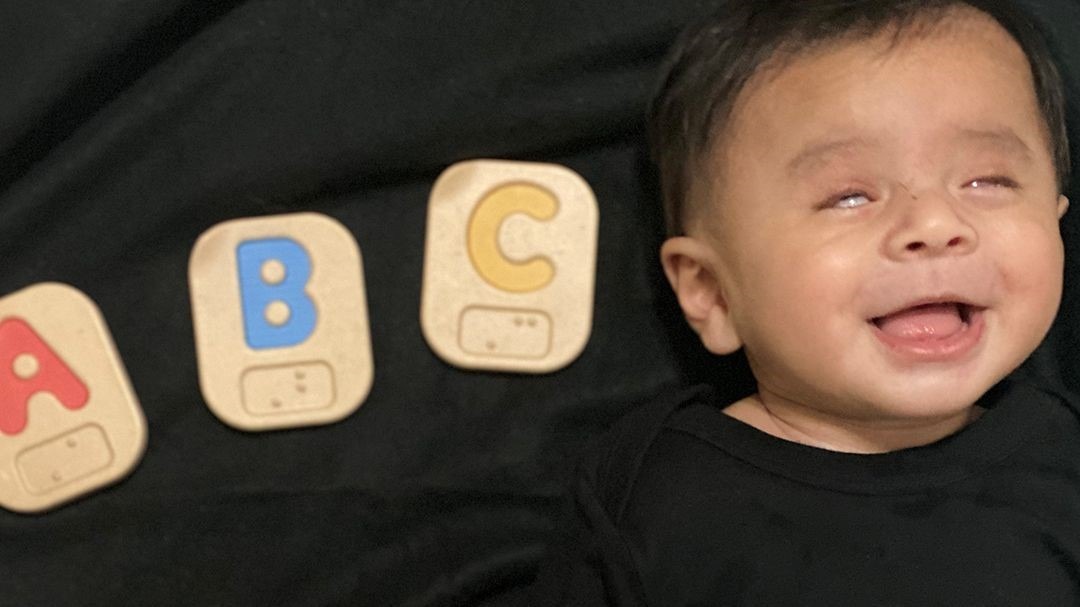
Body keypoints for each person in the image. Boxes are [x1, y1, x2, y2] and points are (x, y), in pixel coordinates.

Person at [530, 0, 1080, 604]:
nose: (935, 221)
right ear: (711, 291)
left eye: (987, 181)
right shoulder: (653, 495)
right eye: (849, 196)